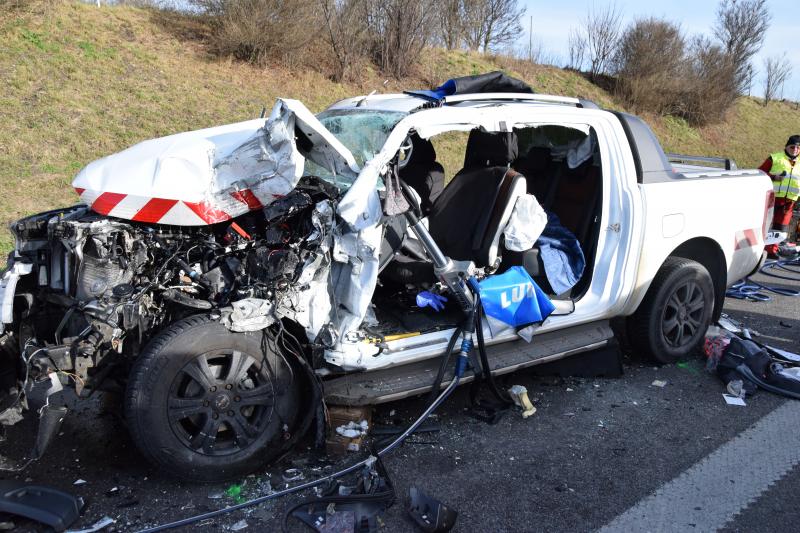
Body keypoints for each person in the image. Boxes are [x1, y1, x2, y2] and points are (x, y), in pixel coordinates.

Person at [759, 135, 800, 257]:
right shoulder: (775, 158)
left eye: (798, 147)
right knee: (764, 224)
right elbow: (760, 172)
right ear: (786, 147)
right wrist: (774, 177)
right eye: (792, 147)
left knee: (780, 228)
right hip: (772, 198)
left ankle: (771, 250)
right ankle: (757, 249)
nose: (795, 150)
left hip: (789, 201)